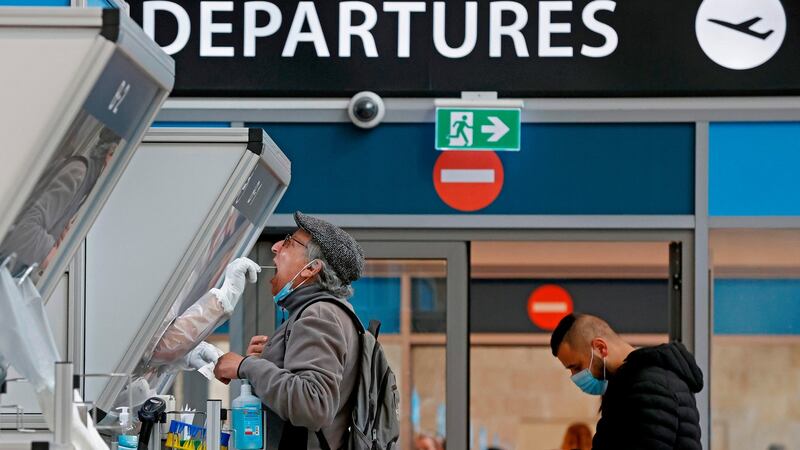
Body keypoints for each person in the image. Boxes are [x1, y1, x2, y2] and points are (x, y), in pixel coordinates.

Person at [215, 211, 365, 450]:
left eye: (288, 242)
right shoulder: (330, 312)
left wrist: (245, 366)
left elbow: (313, 404)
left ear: (311, 268)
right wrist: (276, 358)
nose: (275, 248)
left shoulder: (319, 314)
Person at [550, 313, 703, 450]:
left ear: (600, 348)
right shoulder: (637, 382)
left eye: (576, 367)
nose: (575, 376)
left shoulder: (647, 386)